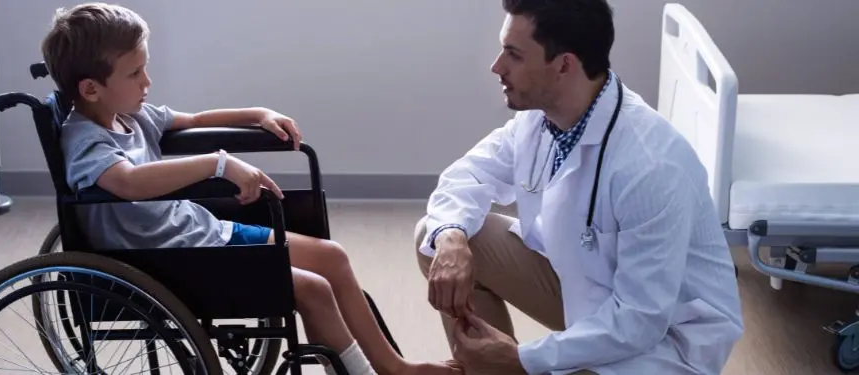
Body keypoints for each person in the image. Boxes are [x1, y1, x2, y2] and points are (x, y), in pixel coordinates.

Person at [40, 3, 461, 375]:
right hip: (169, 259)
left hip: (203, 234)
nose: (147, 81)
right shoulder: (86, 140)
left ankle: (394, 367)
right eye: (135, 73)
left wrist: (257, 113)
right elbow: (126, 183)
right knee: (314, 289)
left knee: (331, 258)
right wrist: (218, 164)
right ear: (91, 88)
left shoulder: (132, 116)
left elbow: (194, 119)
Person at [414, 0, 744, 374]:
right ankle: (490, 366)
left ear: (564, 65)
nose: (496, 67)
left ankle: (503, 365)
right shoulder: (541, 119)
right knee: (437, 236)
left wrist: (524, 360)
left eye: (514, 55)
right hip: (587, 291)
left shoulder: (651, 166)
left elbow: (640, 320)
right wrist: (452, 237)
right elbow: (466, 176)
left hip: (664, 337)